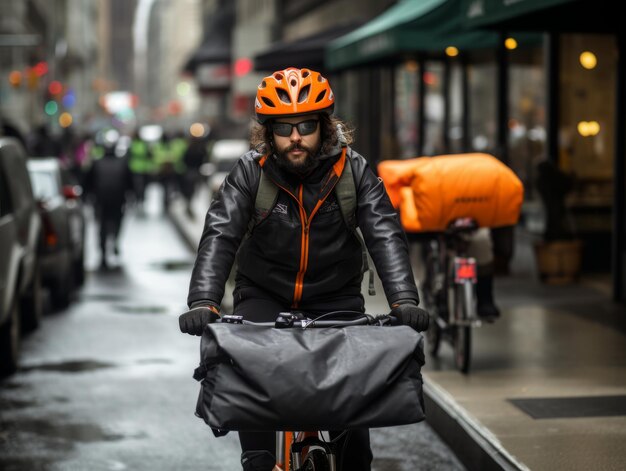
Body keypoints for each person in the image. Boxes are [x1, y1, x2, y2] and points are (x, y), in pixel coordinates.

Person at [178, 67, 429, 471]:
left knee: (355, 448)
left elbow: (384, 232)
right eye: (285, 127)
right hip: (263, 295)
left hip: (336, 297)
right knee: (250, 385)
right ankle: (257, 459)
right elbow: (221, 234)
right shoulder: (250, 172)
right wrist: (204, 300)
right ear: (269, 132)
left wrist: (403, 299)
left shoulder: (353, 170)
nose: (296, 137)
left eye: (306, 125)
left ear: (324, 126)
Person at [84, 129, 134, 269]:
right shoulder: (120, 162)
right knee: (114, 224)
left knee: (103, 227)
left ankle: (105, 252)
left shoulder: (98, 162)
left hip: (103, 201)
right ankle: (111, 246)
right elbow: (131, 182)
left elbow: (87, 182)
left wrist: (87, 196)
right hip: (115, 200)